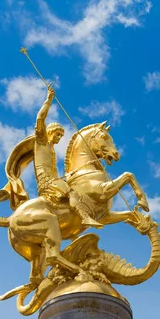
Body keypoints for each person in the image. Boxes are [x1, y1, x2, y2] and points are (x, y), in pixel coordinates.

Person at [34, 83, 102, 229]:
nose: (59, 138)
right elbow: (40, 119)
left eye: (60, 135)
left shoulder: (51, 150)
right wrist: (48, 100)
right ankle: (85, 218)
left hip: (53, 180)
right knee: (72, 192)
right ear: (49, 132)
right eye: (57, 134)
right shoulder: (41, 141)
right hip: (46, 182)